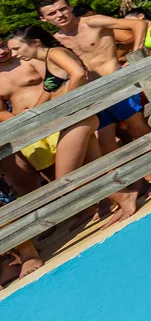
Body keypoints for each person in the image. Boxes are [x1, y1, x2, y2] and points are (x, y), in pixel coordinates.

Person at [0, 28, 128, 222]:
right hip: (45, 124)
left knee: (66, 178)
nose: (7, 52)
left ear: (34, 43)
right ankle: (108, 201)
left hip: (66, 118)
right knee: (89, 168)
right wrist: (29, 117)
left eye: (7, 46)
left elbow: (72, 76)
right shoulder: (44, 55)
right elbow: (53, 85)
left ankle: (123, 196)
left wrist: (62, 107)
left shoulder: (43, 56)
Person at [35, 0, 151, 161]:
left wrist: (137, 52)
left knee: (135, 127)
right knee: (104, 142)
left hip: (116, 82)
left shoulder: (92, 22)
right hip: (91, 92)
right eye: (52, 13)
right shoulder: (56, 41)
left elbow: (139, 24)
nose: (59, 15)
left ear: (70, 7)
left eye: (62, 9)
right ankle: (137, 174)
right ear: (43, 19)